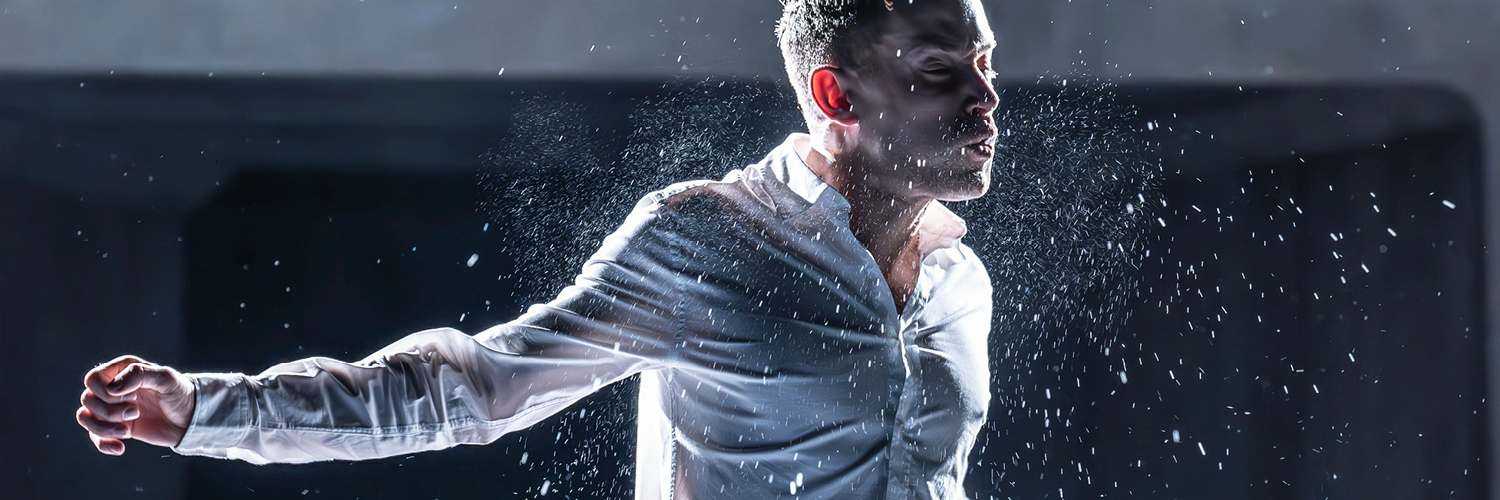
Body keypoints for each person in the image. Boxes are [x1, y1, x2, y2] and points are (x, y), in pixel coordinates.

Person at [75, 0, 999, 497]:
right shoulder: (706, 239)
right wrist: (208, 410)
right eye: (940, 69)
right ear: (835, 98)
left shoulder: (959, 281)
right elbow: (475, 388)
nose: (984, 98)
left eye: (985, 63)